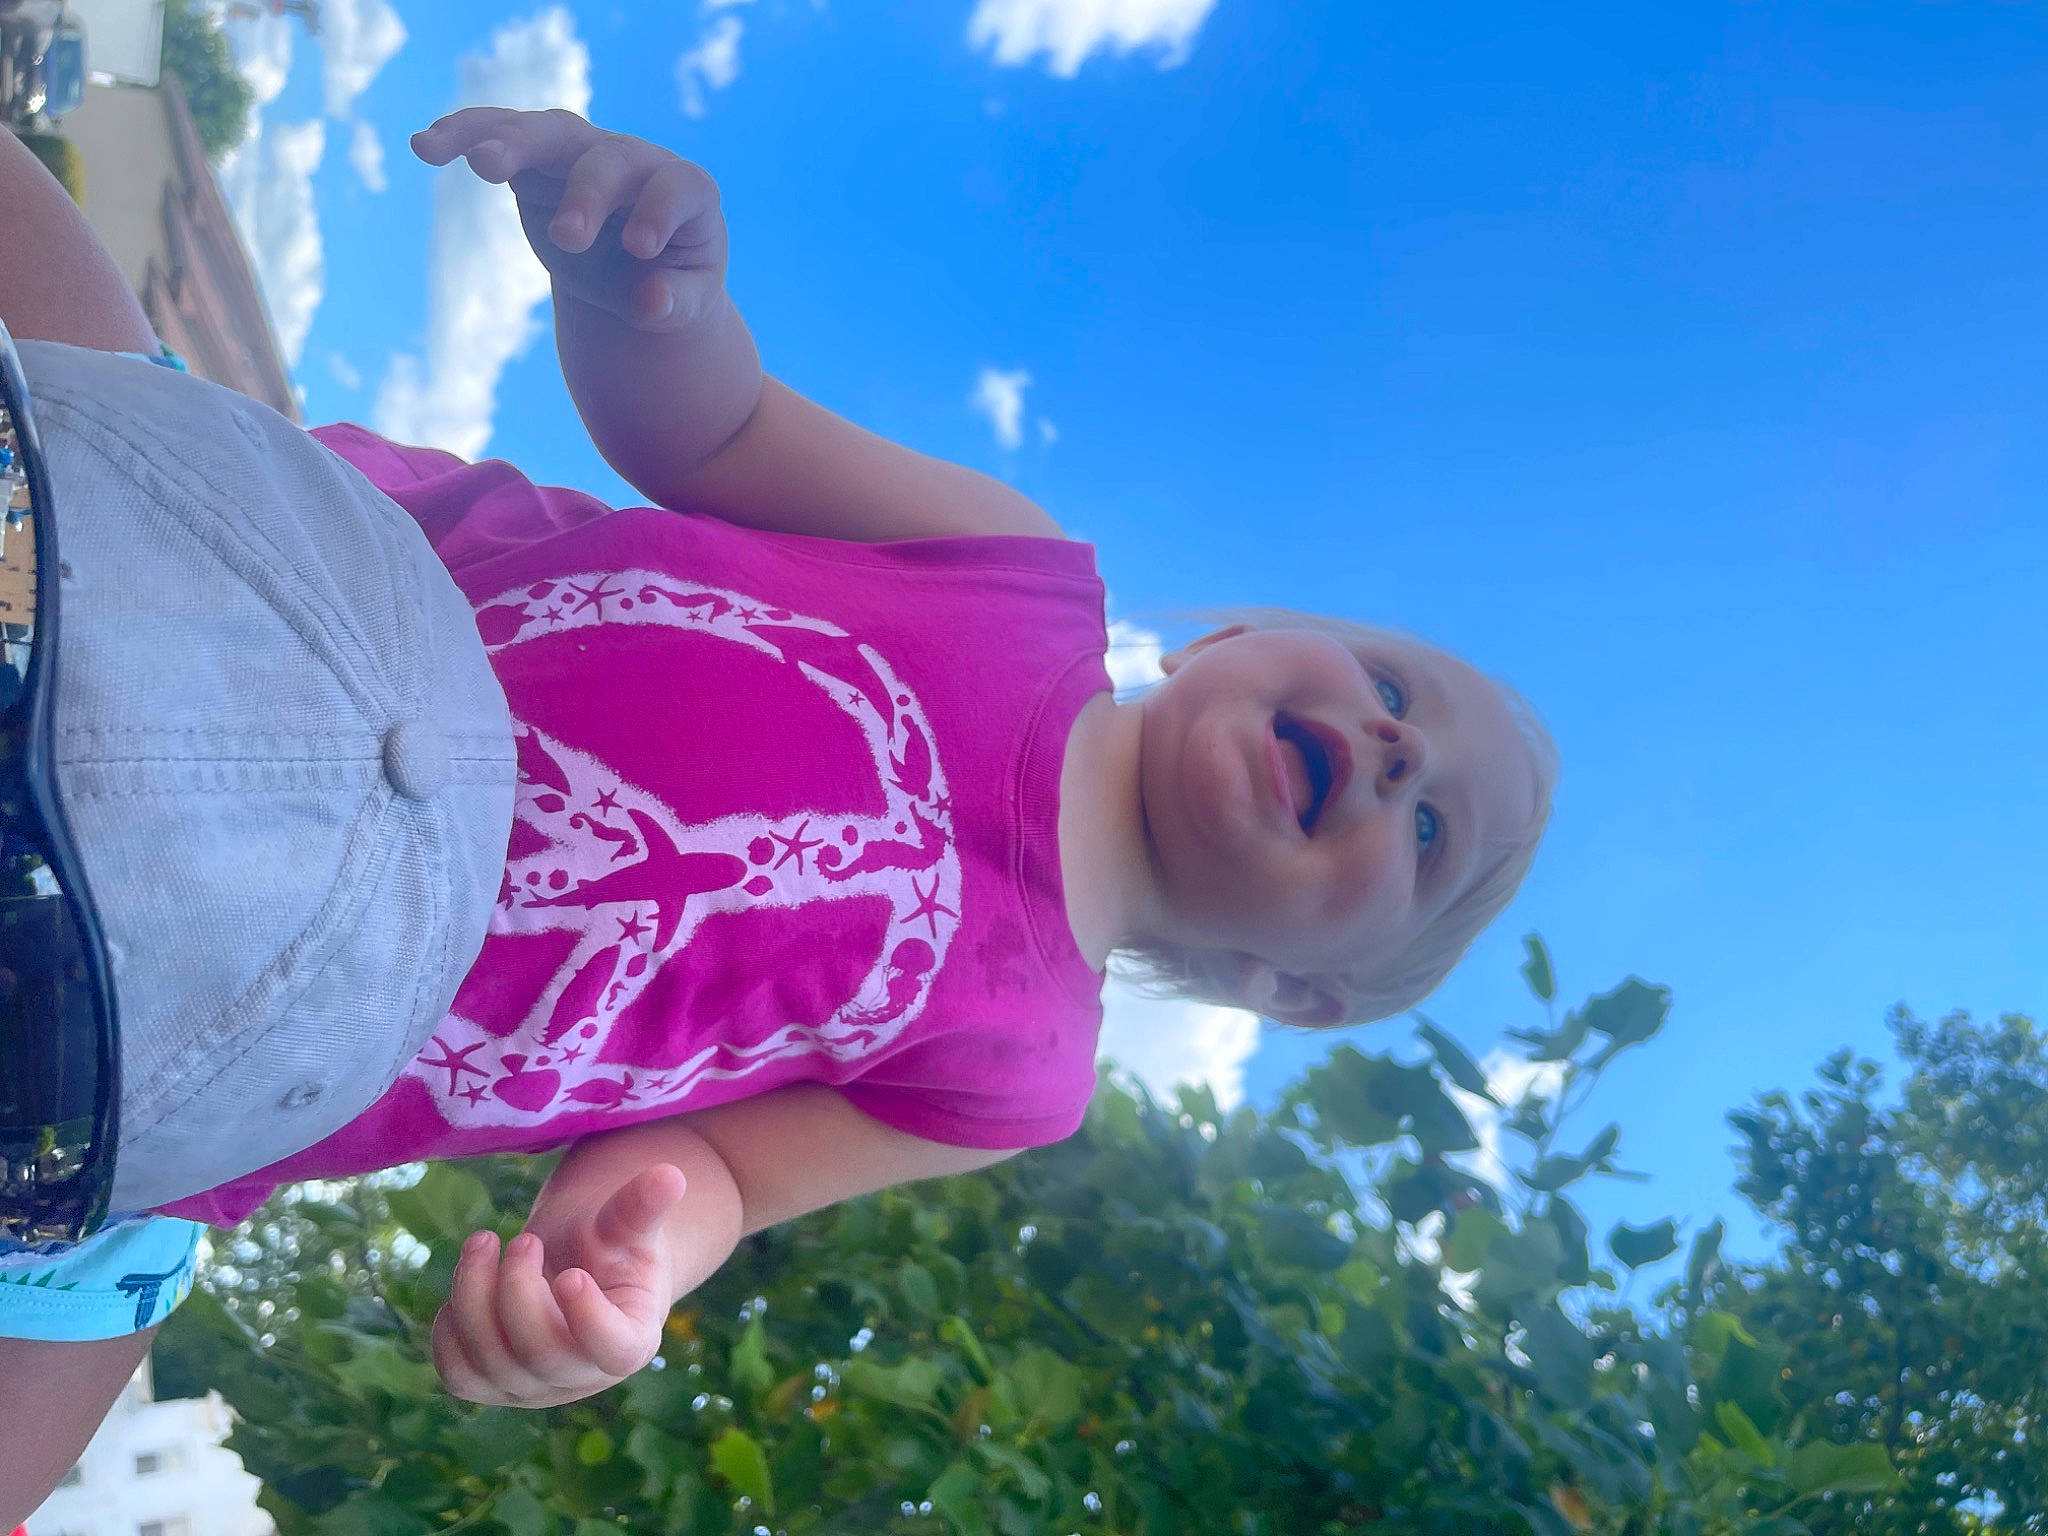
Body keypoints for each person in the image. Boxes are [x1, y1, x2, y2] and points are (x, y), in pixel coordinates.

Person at [0, 107, 1554, 1515]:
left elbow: (722, 1172)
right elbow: (716, 434)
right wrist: (648, 299)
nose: (1393, 750)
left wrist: (623, 1272)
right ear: (1238, 637)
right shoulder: (1020, 574)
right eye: (1392, 684)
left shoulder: (1021, 1072)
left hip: (194, 1038)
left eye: (1431, 835)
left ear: (1294, 992)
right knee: (53, 283)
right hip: (235, 571)